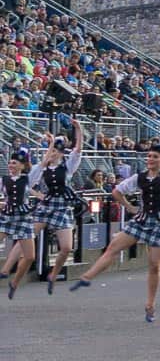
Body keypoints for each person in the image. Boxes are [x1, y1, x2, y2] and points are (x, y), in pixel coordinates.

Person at [69, 122, 160, 323]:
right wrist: (130, 207)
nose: (150, 159)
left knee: (154, 265)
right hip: (142, 219)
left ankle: (150, 304)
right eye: (149, 156)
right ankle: (87, 276)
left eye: (155, 157)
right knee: (114, 246)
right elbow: (116, 192)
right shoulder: (138, 177)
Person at [11, 119, 83, 294]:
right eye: (50, 152)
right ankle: (8, 268)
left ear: (60, 154)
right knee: (26, 235)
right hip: (46, 205)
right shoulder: (41, 167)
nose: (51, 155)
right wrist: (39, 195)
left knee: (66, 247)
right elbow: (27, 185)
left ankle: (54, 273)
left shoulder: (68, 167)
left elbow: (78, 149)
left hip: (62, 207)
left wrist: (78, 129)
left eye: (55, 152)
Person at [0, 147, 40, 298]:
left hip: (23, 218)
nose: (11, 165)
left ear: (22, 166)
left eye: (14, 163)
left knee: (30, 257)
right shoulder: (3, 180)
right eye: (10, 162)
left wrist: (50, 145)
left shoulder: (28, 179)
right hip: (7, 217)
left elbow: (42, 164)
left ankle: (15, 282)